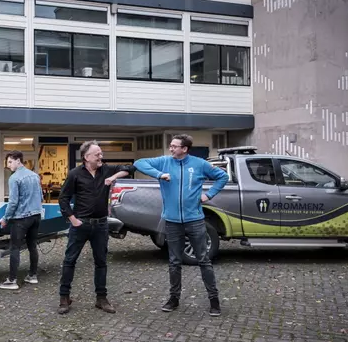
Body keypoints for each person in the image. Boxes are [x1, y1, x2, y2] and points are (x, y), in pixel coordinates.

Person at [134, 134, 229, 316]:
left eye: (174, 146)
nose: (171, 149)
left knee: (203, 260)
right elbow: (139, 163)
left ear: (184, 149)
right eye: (170, 146)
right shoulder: (164, 162)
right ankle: (174, 299)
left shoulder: (199, 164)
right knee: (174, 262)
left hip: (195, 220)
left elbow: (222, 177)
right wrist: (159, 174)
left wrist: (208, 195)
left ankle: (214, 301)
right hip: (172, 221)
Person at [57, 140, 136, 315]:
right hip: (80, 225)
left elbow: (129, 168)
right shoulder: (75, 174)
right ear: (86, 157)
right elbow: (63, 198)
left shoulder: (106, 170)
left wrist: (113, 177)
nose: (101, 156)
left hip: (101, 225)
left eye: (101, 153)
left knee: (101, 262)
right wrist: (72, 219)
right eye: (97, 154)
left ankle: (101, 298)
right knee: (70, 261)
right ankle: (64, 297)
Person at [0, 151, 43, 290]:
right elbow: (40, 196)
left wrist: (5, 218)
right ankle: (32, 275)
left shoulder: (14, 178)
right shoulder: (35, 176)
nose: (9, 165)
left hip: (21, 219)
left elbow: (13, 202)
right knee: (32, 246)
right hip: (36, 216)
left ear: (18, 161)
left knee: (15, 248)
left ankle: (12, 280)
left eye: (10, 162)